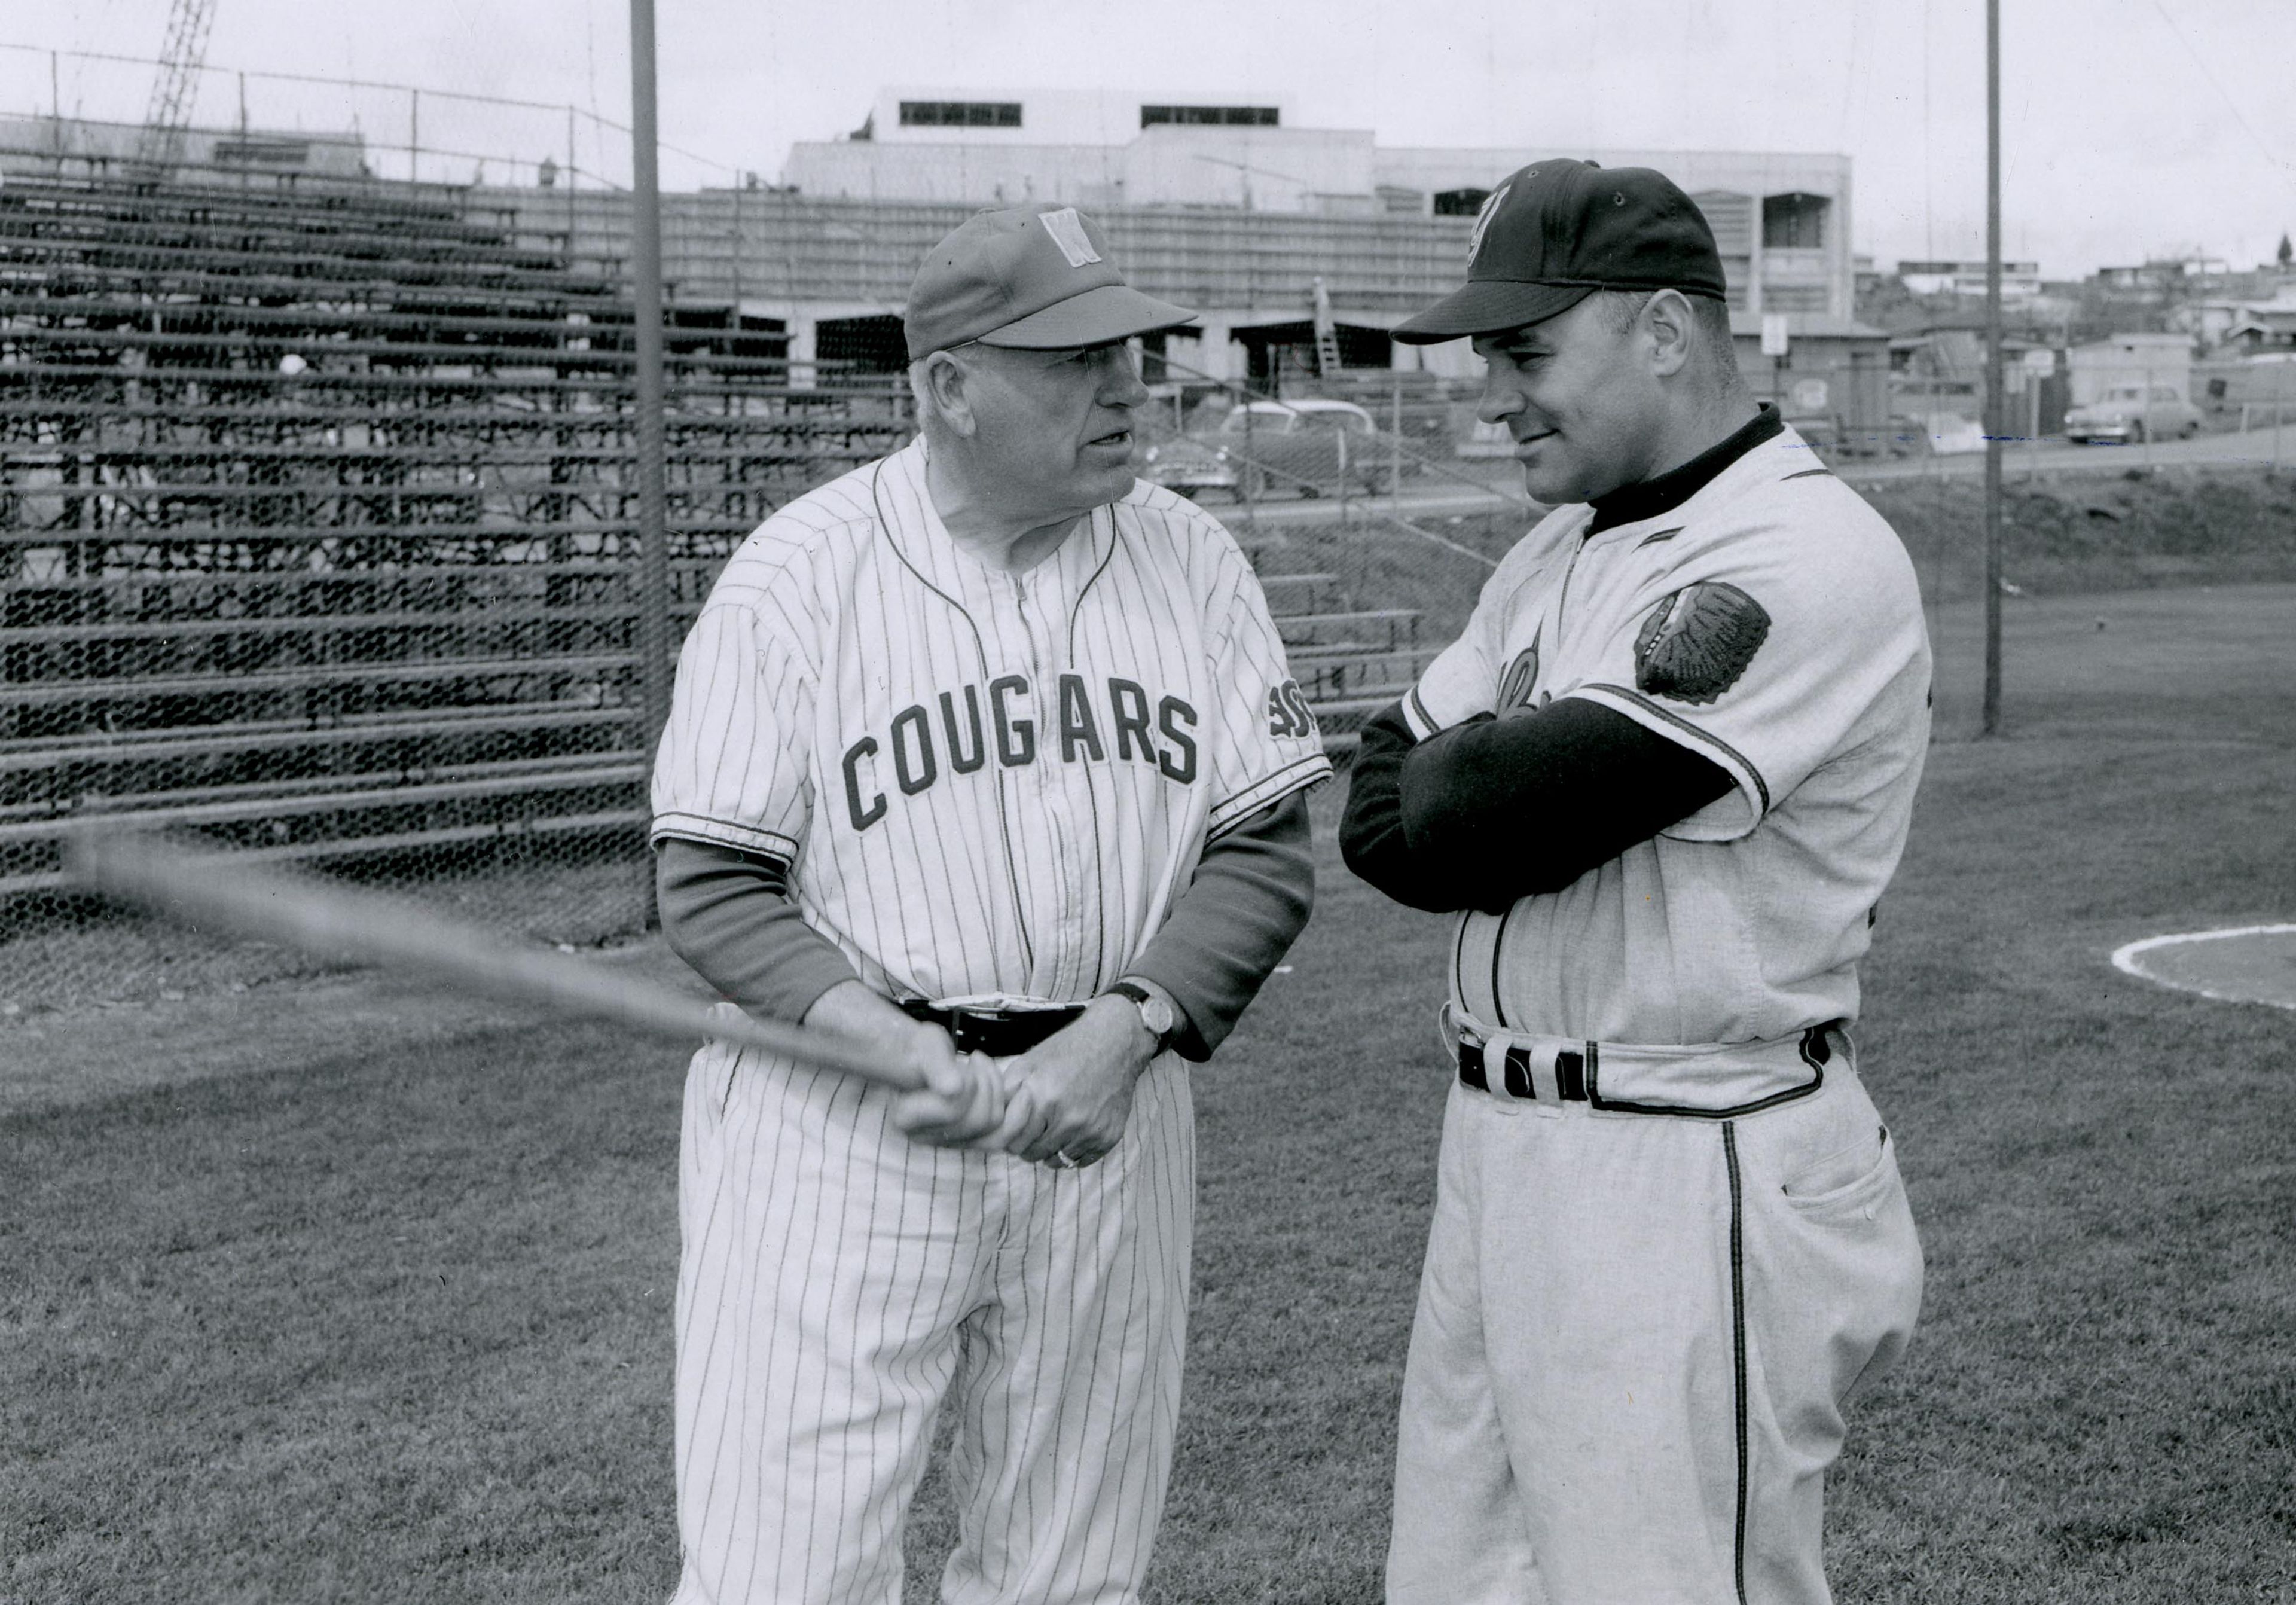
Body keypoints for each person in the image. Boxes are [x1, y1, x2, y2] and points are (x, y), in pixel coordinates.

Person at [649, 202, 1329, 1604]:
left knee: (1069, 1578)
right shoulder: (796, 580)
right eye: (1074, 359)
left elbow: (1263, 848)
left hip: (1107, 1118)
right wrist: (862, 1024)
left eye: (1126, 349)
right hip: (840, 1131)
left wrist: (1129, 1032)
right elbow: (710, 878)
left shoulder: (1190, 560)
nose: (1126, 385)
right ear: (949, 387)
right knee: (784, 1578)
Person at [1343, 159, 1929, 1604]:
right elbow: (1378, 819)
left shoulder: (1801, 546)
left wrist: (1473, 767)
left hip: (1688, 1151)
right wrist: (1472, 778)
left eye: (1527, 350)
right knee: (1461, 1583)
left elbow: (1490, 817)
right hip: (1500, 1149)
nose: (1495, 391)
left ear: (1664, 331)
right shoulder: (1553, 550)